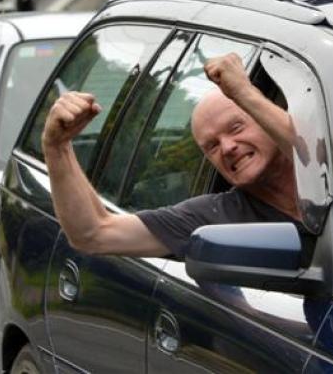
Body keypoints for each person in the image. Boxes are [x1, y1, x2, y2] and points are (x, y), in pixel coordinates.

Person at [42, 52, 302, 260]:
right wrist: (57, 147)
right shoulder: (214, 219)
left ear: (265, 116)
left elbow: (319, 161)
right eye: (211, 146)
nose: (227, 147)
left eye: (236, 128)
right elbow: (93, 234)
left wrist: (243, 92)